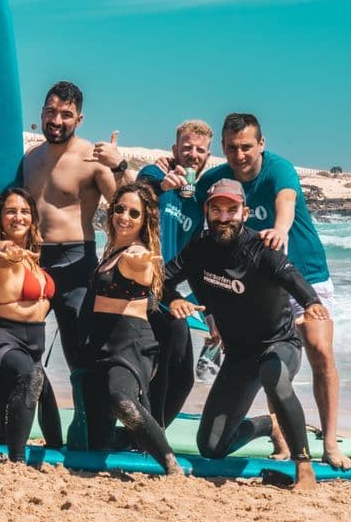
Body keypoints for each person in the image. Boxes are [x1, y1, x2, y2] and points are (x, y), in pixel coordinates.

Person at [196, 113, 351, 470]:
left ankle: (329, 443)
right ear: (223, 147)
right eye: (232, 148)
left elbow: (286, 202)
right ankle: (279, 433)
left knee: (319, 350)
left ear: (261, 144)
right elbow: (194, 211)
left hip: (307, 275)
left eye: (247, 146)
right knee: (272, 354)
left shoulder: (278, 169)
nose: (240, 154)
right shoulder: (217, 179)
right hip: (261, 284)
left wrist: (279, 230)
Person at [163, 178, 324, 490]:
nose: (224, 217)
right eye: (217, 209)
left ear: (245, 213)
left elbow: (290, 276)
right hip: (239, 355)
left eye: (231, 210)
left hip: (279, 344)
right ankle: (267, 425)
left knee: (273, 376)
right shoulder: (200, 248)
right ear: (206, 211)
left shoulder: (260, 247)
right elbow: (163, 278)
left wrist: (311, 302)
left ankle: (303, 465)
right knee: (211, 447)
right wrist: (174, 299)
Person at [22, 80, 126, 444]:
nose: (57, 120)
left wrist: (120, 166)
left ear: (79, 119)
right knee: (26, 347)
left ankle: (88, 429)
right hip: (34, 260)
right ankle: (47, 431)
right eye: (51, 112)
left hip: (77, 261)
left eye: (66, 115)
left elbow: (127, 209)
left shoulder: (91, 158)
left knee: (79, 353)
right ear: (42, 114)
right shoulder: (30, 159)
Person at [82, 182, 182, 475]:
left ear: (144, 220)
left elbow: (140, 268)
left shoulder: (135, 253)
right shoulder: (114, 250)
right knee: (98, 442)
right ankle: (138, 443)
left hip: (129, 343)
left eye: (133, 213)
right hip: (101, 345)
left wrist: (141, 263)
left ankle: (169, 462)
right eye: (120, 209)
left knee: (122, 400)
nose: (124, 217)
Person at [0, 187, 63, 463]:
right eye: (10, 211)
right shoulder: (1, 249)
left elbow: (40, 302)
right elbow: (8, 252)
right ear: (0, 218)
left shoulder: (35, 257)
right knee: (32, 377)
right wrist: (15, 253)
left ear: (32, 217)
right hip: (5, 340)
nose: (17, 217)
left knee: (46, 397)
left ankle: (58, 449)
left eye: (24, 211)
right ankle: (16, 459)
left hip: (33, 345)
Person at [136, 119, 213, 428]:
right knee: (164, 360)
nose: (193, 154)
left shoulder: (197, 205)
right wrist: (161, 186)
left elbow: (191, 261)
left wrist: (210, 311)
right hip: (138, 282)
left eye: (200, 150)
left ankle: (154, 434)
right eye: (187, 148)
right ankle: (146, 434)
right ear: (174, 150)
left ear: (207, 156)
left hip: (166, 290)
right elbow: (135, 194)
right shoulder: (155, 174)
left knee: (183, 377)